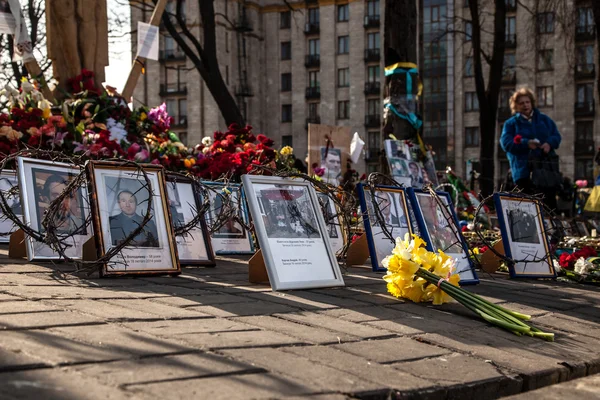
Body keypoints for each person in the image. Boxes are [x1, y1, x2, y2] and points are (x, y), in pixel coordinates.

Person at [500, 87, 561, 210]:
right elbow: (505, 143)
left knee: (548, 207)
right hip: (523, 173)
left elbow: (556, 136)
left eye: (527, 102)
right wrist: (525, 143)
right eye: (521, 103)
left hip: (545, 172)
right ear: (516, 106)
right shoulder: (511, 124)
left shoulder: (545, 120)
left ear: (532, 103)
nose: (525, 105)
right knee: (526, 209)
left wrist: (549, 143)